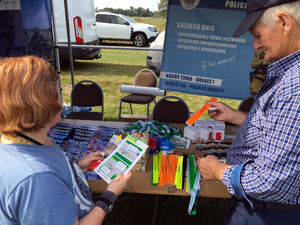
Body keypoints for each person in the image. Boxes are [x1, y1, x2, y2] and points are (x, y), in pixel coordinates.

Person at [197, 0, 300, 224]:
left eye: (258, 35)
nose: (255, 45)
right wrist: (234, 116)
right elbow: (277, 129)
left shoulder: (295, 86)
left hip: (270, 213)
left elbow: (269, 182)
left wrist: (217, 169)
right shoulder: (289, 71)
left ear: (284, 23)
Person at [0, 55, 132, 225]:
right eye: (56, 96)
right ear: (39, 107)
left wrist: (76, 168)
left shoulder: (24, 139)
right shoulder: (38, 180)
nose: (61, 103)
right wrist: (110, 195)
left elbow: (51, 170)